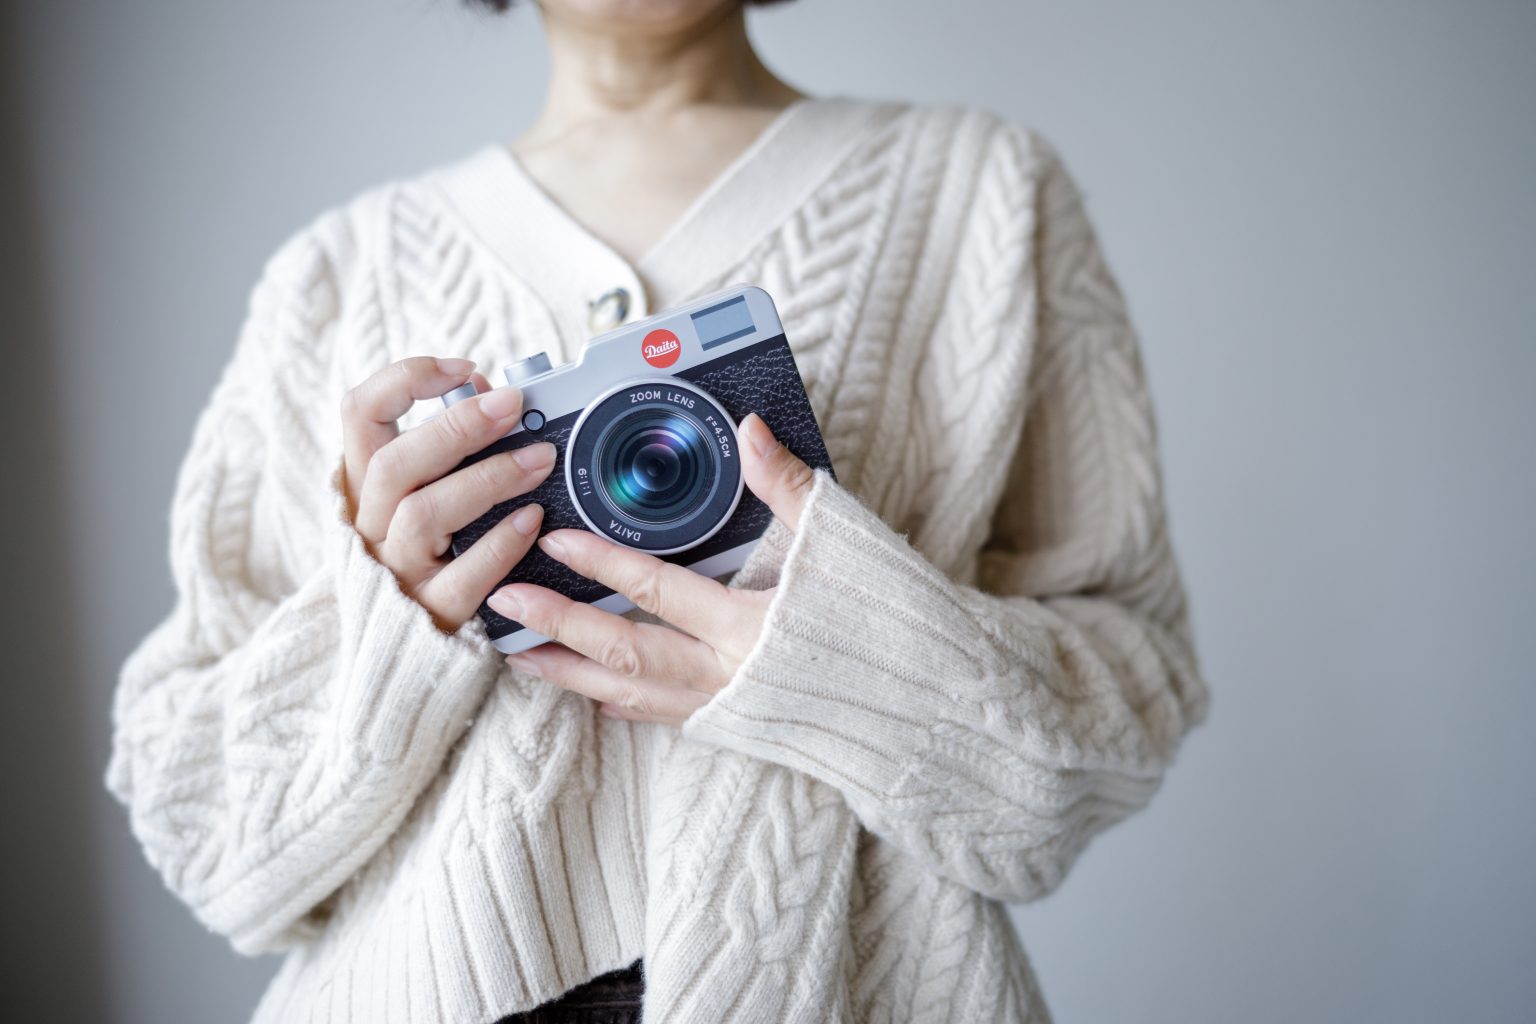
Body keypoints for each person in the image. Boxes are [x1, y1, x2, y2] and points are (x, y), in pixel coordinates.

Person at [104, 0, 1213, 1021]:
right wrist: (389, 626)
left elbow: (1131, 701)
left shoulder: (982, 192)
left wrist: (837, 660)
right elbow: (201, 828)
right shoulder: (336, 275)